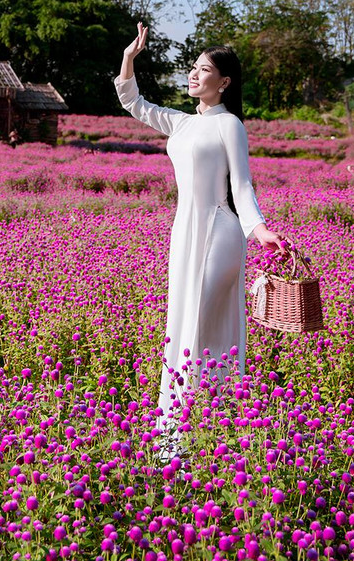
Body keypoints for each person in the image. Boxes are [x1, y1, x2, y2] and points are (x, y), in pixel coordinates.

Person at [115, 23, 286, 450]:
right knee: (183, 324)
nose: (193, 75)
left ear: (224, 82)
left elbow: (242, 187)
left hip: (221, 232)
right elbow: (133, 101)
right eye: (192, 68)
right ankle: (190, 433)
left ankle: (192, 436)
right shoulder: (181, 124)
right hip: (185, 232)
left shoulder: (230, 125)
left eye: (203, 69)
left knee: (198, 325)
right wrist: (129, 57)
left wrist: (260, 230)